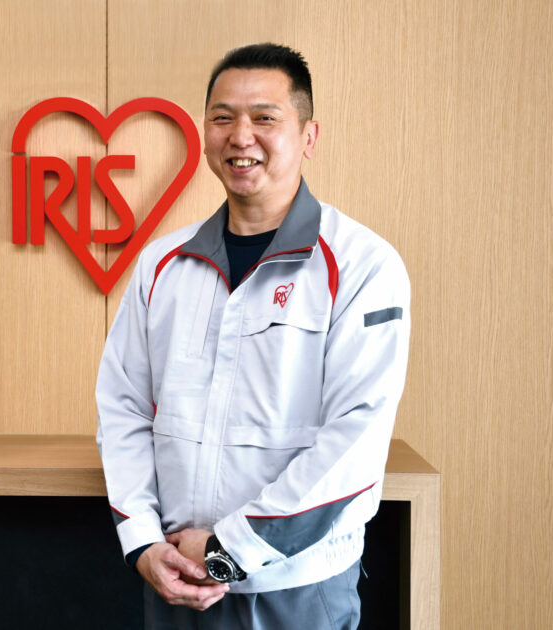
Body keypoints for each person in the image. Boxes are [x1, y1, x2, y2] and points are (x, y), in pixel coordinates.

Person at [95, 43, 410, 629]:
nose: (241, 136)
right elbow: (123, 408)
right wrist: (142, 542)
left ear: (309, 137)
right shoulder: (162, 263)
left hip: (296, 591)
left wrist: (227, 553)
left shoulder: (364, 266)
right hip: (175, 579)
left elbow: (355, 442)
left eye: (265, 117)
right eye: (222, 117)